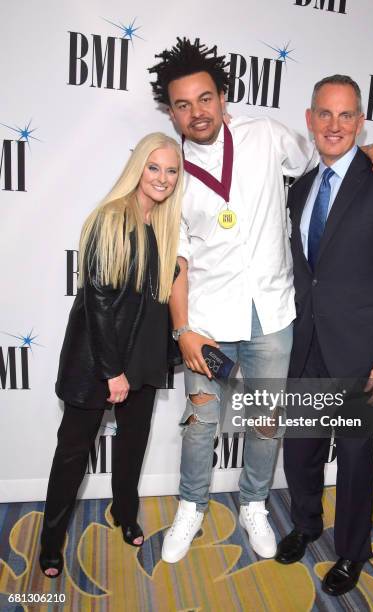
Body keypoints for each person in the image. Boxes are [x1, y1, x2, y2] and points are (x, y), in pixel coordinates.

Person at [148, 38, 373, 564]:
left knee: (266, 422)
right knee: (200, 425)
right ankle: (191, 506)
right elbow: (177, 263)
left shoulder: (264, 135)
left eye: (205, 98)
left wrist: (370, 152)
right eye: (183, 104)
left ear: (223, 97)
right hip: (208, 325)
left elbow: (326, 159)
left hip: (273, 318)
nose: (196, 112)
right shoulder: (169, 172)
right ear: (171, 112)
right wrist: (183, 330)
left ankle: (255, 503)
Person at [275, 75, 373, 596]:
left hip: (363, 353)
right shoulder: (299, 189)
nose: (334, 125)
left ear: (361, 123)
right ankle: (306, 524)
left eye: (345, 116)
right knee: (300, 450)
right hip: (305, 344)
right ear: (310, 118)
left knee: (357, 458)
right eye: (324, 114)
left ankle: (352, 552)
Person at [39, 132, 183, 578]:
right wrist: (112, 371)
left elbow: (151, 301)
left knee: (132, 445)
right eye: (154, 167)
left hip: (141, 361)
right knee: (72, 453)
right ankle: (50, 542)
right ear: (138, 168)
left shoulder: (160, 226)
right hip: (99, 362)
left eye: (172, 170)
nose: (163, 178)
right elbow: (99, 301)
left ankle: (125, 512)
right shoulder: (110, 218)